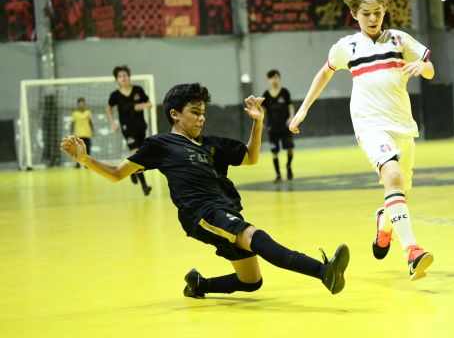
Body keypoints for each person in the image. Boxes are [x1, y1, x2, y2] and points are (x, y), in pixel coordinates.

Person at [60, 83, 349, 297]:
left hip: (224, 209)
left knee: (251, 282)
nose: (201, 118)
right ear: (175, 114)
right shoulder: (160, 145)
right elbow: (116, 174)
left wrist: (258, 123)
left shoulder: (211, 144)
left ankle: (200, 285)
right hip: (201, 213)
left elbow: (250, 157)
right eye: (194, 112)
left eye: (203, 113)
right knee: (255, 236)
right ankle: (324, 272)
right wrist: (85, 159)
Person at [289, 0, 434, 281]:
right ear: (354, 13)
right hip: (369, 125)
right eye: (366, 13)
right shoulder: (347, 47)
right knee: (392, 175)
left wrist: (423, 68)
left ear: (384, 11)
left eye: (378, 12)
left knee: (400, 191)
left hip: (402, 125)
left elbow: (430, 67)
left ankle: (385, 223)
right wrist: (302, 110)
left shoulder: (398, 40)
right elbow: (323, 74)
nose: (372, 18)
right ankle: (412, 252)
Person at [107, 65, 153, 196]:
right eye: (120, 76)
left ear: (129, 77)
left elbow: (150, 104)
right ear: (117, 79)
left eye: (125, 75)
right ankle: (144, 186)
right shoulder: (115, 95)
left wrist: (142, 105)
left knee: (141, 156)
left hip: (141, 127)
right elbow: (108, 108)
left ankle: (132, 171)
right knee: (136, 155)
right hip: (128, 129)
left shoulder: (138, 90)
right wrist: (113, 123)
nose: (123, 78)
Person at [261, 70, 295, 183]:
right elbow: (263, 111)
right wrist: (260, 122)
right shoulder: (266, 95)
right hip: (272, 127)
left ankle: (288, 165)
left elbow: (290, 106)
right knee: (274, 151)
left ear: (279, 78)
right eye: (271, 78)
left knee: (290, 149)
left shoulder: (285, 92)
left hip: (285, 126)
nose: (274, 80)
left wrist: (291, 118)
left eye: (276, 77)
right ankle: (278, 175)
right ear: (268, 80)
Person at [70, 97, 93, 168]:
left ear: (84, 104)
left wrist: (92, 130)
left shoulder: (88, 112)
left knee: (87, 150)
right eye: (80, 104)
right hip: (78, 134)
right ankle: (77, 164)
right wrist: (71, 132)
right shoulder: (74, 113)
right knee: (78, 150)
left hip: (87, 134)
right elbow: (72, 123)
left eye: (82, 104)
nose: (81, 105)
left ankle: (87, 164)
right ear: (77, 104)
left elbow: (90, 122)